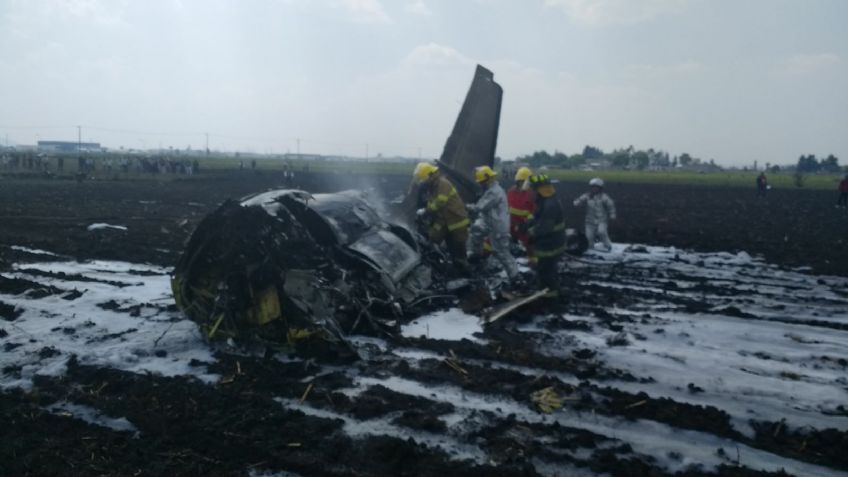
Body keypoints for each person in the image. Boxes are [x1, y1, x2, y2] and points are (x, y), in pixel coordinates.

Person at [413, 162, 470, 273]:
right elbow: (432, 202)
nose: (422, 182)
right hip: (443, 220)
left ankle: (463, 270)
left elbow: (440, 202)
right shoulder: (432, 186)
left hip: (456, 219)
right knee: (432, 239)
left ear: (429, 176)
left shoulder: (443, 184)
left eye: (423, 179)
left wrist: (425, 211)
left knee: (459, 246)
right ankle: (436, 264)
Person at [468, 166, 519, 282]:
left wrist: (469, 207)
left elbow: (481, 206)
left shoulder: (495, 192)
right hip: (490, 223)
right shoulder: (490, 190)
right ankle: (476, 259)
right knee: (476, 231)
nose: (481, 184)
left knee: (501, 252)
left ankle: (516, 277)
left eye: (482, 182)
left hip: (499, 227)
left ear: (488, 179)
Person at [523, 174, 566, 298]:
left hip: (551, 245)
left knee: (546, 272)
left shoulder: (550, 204)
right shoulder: (545, 201)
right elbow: (538, 218)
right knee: (546, 270)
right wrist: (527, 224)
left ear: (539, 190)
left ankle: (550, 298)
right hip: (549, 242)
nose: (530, 192)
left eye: (532, 189)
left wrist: (531, 233)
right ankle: (546, 291)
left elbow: (545, 227)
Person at [573, 178, 616, 252]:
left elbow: (611, 206)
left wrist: (612, 215)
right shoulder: (587, 196)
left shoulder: (604, 197)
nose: (594, 189)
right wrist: (577, 203)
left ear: (600, 188)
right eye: (593, 187)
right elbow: (578, 202)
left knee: (601, 232)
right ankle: (590, 249)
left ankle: (608, 246)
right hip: (589, 221)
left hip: (602, 220)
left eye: (596, 187)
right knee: (589, 238)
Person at [507, 166, 536, 265]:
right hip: (511, 223)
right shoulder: (510, 192)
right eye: (527, 181)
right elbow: (508, 208)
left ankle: (533, 263)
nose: (529, 184)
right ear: (520, 181)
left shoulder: (531, 193)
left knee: (530, 243)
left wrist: (527, 223)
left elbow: (534, 211)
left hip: (525, 225)